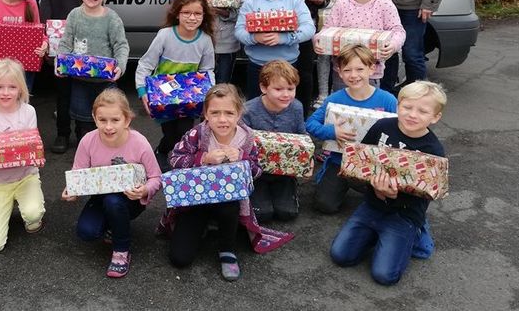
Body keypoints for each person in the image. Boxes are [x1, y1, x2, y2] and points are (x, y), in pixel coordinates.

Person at [330, 80, 447, 285]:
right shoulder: (383, 126)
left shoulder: (433, 151)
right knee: (341, 256)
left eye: (422, 111)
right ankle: (375, 235)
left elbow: (427, 193)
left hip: (404, 213)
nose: (412, 114)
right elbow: (361, 161)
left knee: (384, 276)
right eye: (407, 107)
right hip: (373, 204)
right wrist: (374, 188)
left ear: (435, 117)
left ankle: (418, 232)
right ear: (398, 105)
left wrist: (393, 196)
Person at [61, 89, 162, 278]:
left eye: (115, 120)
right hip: (101, 197)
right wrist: (71, 189)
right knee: (87, 232)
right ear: (94, 118)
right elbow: (78, 173)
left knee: (113, 202)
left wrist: (144, 191)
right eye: (102, 120)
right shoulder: (88, 140)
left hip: (129, 199)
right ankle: (112, 226)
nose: (108, 127)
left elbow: (156, 177)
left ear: (127, 120)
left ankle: (121, 250)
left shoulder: (139, 143)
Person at [166, 84, 259, 281]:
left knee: (229, 207)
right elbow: (174, 159)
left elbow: (257, 170)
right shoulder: (197, 134)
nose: (222, 119)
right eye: (215, 113)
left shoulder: (247, 137)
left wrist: (242, 158)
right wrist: (204, 158)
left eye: (229, 113)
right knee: (179, 258)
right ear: (206, 114)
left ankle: (227, 249)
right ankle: (203, 226)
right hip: (196, 201)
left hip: (229, 203)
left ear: (239, 113)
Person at [306, 45, 398, 214]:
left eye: (360, 69)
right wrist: (332, 132)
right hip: (339, 162)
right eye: (347, 70)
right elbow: (311, 123)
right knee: (325, 205)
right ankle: (341, 181)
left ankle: (367, 187)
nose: (354, 75)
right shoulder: (335, 99)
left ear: (372, 69)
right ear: (339, 72)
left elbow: (400, 129)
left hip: (374, 164)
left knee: (390, 204)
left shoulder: (388, 100)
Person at [135, 0, 215, 172]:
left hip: (190, 100)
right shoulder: (165, 35)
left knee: (185, 133)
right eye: (186, 12)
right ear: (177, 14)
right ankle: (162, 152)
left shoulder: (205, 40)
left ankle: (179, 161)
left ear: (204, 15)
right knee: (171, 134)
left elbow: (207, 70)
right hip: (164, 99)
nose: (192, 18)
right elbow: (145, 64)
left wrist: (209, 96)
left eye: (197, 13)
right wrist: (142, 92)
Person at [54, 0, 129, 152]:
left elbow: (121, 45)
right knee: (83, 123)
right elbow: (66, 42)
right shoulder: (74, 15)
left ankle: (108, 151)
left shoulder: (111, 18)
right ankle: (87, 152)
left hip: (105, 82)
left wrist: (120, 65)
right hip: (80, 80)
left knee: (108, 120)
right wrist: (60, 61)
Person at [0, 59, 46, 252]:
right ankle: (4, 208)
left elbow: (32, 146)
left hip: (25, 176)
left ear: (21, 89)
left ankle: (29, 210)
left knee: (33, 215)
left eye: (12, 87)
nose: (5, 92)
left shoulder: (28, 111)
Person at [314, 0, 406, 91]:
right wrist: (318, 40)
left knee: (368, 104)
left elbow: (398, 31)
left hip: (371, 71)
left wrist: (393, 45)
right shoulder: (341, 4)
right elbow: (327, 29)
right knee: (342, 103)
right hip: (342, 71)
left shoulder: (385, 5)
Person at [234, 0, 315, 100]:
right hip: (257, 65)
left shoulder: (295, 2)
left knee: (284, 104)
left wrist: (284, 38)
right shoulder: (251, 3)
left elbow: (309, 29)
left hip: (287, 65)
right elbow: (239, 31)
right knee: (256, 105)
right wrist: (255, 38)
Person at [241, 61, 306, 221]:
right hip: (257, 172)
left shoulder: (296, 107)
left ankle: (288, 188)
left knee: (287, 213)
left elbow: (302, 137)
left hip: (285, 171)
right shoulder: (248, 110)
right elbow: (242, 142)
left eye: (290, 89)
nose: (286, 94)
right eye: (278, 89)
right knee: (262, 214)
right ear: (264, 88)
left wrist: (304, 162)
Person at [39, 0, 87, 150]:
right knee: (63, 94)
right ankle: (62, 134)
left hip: (86, 51)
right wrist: (47, 45)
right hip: (61, 53)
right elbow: (44, 19)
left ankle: (83, 133)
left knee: (84, 92)